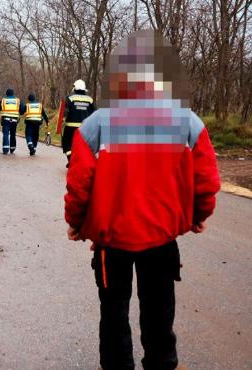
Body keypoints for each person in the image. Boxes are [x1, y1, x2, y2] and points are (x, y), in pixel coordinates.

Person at [64, 30, 220, 370]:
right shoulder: (188, 122)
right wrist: (197, 214)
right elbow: (206, 181)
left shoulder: (95, 125)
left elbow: (79, 185)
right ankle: (162, 362)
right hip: (162, 239)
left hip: (111, 242)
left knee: (114, 313)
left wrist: (76, 223)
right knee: (159, 311)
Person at [57, 79, 96, 166]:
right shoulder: (90, 100)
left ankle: (71, 159)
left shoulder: (70, 98)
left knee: (67, 143)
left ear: (75, 88)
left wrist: (62, 120)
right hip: (85, 128)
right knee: (83, 145)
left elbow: (65, 111)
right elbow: (94, 114)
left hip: (70, 127)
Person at [0, 88, 20, 154]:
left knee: (6, 134)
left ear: (6, 94)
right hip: (14, 121)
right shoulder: (17, 101)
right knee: (13, 134)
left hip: (6, 120)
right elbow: (22, 109)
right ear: (13, 93)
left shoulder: (3, 100)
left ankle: (5, 149)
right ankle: (12, 148)